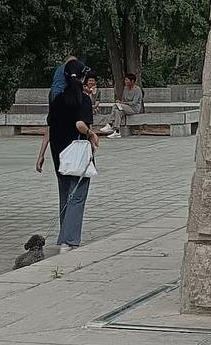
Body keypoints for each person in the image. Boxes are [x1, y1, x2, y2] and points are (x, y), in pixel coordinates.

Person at [36, 58, 99, 250]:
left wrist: (41, 155)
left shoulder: (57, 100)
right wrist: (91, 134)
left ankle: (64, 235)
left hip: (59, 153)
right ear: (82, 78)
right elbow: (80, 124)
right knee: (77, 196)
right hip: (78, 154)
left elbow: (49, 128)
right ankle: (69, 240)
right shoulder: (83, 99)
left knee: (64, 194)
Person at [98, 70, 144, 139]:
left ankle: (110, 124)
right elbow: (124, 99)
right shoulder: (125, 88)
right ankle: (117, 131)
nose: (125, 81)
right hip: (125, 107)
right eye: (125, 80)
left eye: (127, 80)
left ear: (132, 81)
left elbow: (134, 102)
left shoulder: (137, 89)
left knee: (115, 106)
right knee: (117, 112)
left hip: (134, 108)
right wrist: (120, 102)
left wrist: (123, 103)